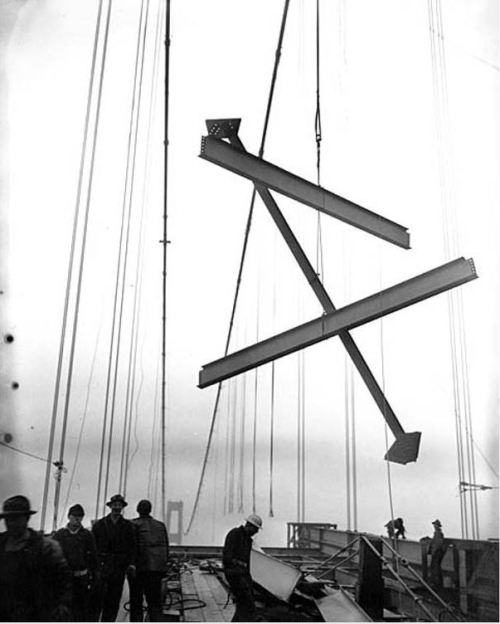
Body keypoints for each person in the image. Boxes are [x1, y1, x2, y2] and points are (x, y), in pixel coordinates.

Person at [0, 494, 72, 621]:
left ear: (27, 518)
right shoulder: (1, 543)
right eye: (7, 519)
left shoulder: (46, 547)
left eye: (16, 519)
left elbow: (63, 581)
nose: (11, 523)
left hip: (34, 613)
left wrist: (61, 605)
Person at [92, 494, 136, 622]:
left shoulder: (128, 526)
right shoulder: (99, 525)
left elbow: (132, 547)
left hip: (118, 569)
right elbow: (93, 547)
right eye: (115, 505)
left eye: (119, 505)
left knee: (113, 601)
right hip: (102, 568)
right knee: (97, 601)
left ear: (122, 507)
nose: (117, 507)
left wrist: (131, 564)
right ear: (110, 506)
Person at [53, 503, 98, 621]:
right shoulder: (60, 535)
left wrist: (93, 578)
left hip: (82, 579)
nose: (77, 519)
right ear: (69, 517)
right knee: (65, 610)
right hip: (65, 579)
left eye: (80, 516)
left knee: (81, 610)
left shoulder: (87, 536)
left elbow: (94, 558)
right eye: (74, 516)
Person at [129, 499, 169, 621]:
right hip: (156, 570)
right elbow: (165, 548)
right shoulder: (160, 525)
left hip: (139, 570)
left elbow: (131, 547)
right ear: (150, 510)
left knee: (136, 602)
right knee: (155, 603)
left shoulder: (133, 524)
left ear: (138, 510)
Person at [222, 514, 262, 622]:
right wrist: (240, 564)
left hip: (242, 574)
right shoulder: (234, 534)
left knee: (243, 603)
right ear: (250, 526)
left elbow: (247, 562)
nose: (257, 532)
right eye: (256, 529)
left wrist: (249, 579)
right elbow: (227, 557)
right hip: (233, 574)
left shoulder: (247, 540)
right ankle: (252, 619)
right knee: (246, 601)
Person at [428, 519, 447, 588]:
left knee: (435, 567)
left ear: (438, 526)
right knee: (435, 567)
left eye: (435, 525)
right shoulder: (437, 533)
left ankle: (436, 583)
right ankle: (436, 582)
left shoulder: (438, 533)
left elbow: (438, 544)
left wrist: (434, 552)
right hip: (436, 552)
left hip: (437, 553)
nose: (434, 526)